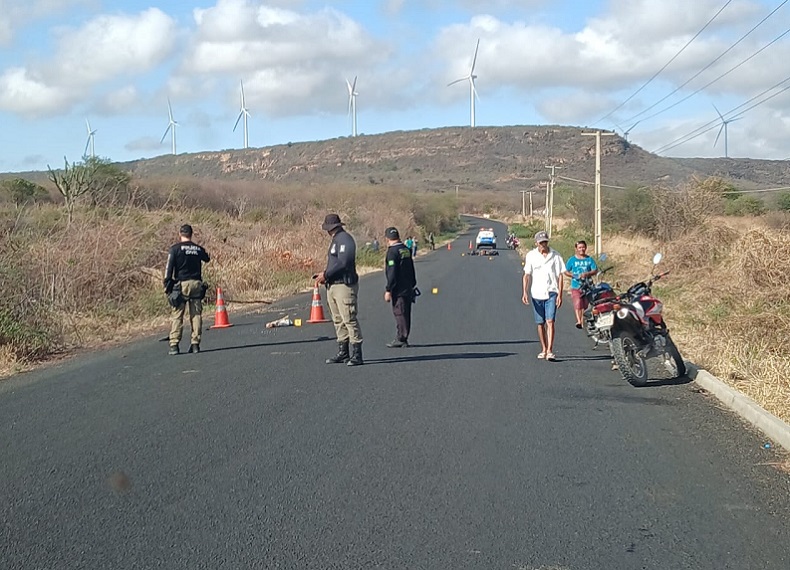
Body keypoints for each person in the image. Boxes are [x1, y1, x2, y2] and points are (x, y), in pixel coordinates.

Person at [315, 213, 364, 366]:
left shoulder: (345, 239)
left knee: (349, 318)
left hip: (344, 285)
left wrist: (326, 274)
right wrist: (325, 275)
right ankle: (343, 351)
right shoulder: (336, 240)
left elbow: (344, 263)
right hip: (333, 285)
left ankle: (357, 353)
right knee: (338, 320)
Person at [164, 224, 210, 355]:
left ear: (180, 233)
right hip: (196, 284)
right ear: (191, 234)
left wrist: (167, 285)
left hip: (181, 285)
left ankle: (174, 345)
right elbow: (207, 258)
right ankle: (195, 344)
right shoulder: (197, 249)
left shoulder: (174, 249)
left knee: (177, 315)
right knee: (196, 314)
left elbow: (169, 269)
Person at [522, 230, 564, 361]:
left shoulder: (555, 256)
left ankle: (550, 350)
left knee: (550, 321)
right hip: (536, 293)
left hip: (551, 291)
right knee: (540, 323)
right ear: (536, 243)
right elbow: (527, 275)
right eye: (541, 243)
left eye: (545, 242)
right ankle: (544, 348)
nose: (543, 245)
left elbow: (560, 275)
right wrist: (524, 291)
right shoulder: (531, 256)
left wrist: (560, 295)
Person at [383, 227, 417, 348]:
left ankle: (401, 337)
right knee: (406, 312)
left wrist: (388, 289)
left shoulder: (392, 252)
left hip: (399, 288)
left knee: (399, 312)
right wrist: (413, 284)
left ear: (387, 239)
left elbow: (392, 272)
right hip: (408, 286)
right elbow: (411, 268)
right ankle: (403, 336)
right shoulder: (406, 249)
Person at [563, 240, 599, 329]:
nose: (581, 249)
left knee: (585, 304)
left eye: (583, 247)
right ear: (576, 249)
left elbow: (595, 270)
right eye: (579, 247)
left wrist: (587, 274)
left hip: (587, 286)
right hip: (576, 285)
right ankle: (579, 321)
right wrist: (574, 275)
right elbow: (565, 271)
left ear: (586, 248)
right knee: (578, 302)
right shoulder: (572, 260)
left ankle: (583, 319)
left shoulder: (589, 259)